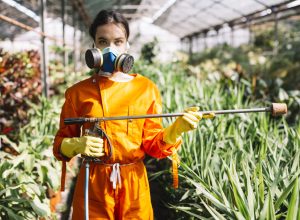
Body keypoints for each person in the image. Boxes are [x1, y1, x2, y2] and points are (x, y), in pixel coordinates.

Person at [53, 10, 213, 220]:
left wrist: (177, 129)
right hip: (94, 182)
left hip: (133, 181)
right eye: (103, 41)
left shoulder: (145, 88)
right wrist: (74, 144)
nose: (111, 49)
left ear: (127, 45)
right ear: (94, 46)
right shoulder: (78, 92)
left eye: (118, 41)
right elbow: (59, 145)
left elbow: (153, 146)